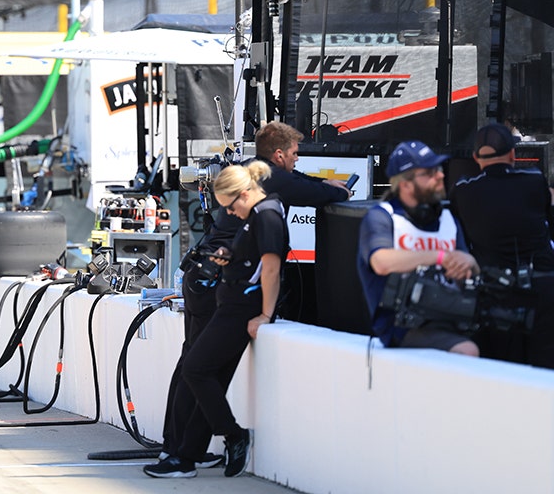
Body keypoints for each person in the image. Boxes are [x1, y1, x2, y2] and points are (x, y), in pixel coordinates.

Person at [156, 121, 349, 470]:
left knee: (204, 369)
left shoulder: (256, 174)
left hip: (209, 280)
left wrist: (321, 184)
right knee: (196, 367)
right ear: (278, 154)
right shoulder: (266, 182)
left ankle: (187, 449)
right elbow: (311, 192)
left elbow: (302, 183)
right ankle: (178, 448)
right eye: (293, 154)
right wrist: (337, 191)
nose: (296, 160)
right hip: (214, 285)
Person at [146, 161, 286, 479]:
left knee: (195, 369)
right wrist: (229, 257)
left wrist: (265, 313)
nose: (231, 214)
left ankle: (232, 435)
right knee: (208, 375)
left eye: (231, 206)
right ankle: (187, 455)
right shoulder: (255, 214)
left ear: (246, 192)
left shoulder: (266, 214)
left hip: (241, 307)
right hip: (231, 301)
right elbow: (253, 259)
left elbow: (272, 268)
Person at [356, 140, 480, 356]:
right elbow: (381, 262)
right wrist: (437, 256)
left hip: (449, 315)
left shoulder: (447, 218)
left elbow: (467, 268)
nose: (440, 175)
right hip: (402, 326)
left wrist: (470, 263)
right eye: (429, 173)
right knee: (467, 351)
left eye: (439, 169)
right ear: (405, 184)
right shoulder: (382, 217)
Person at [451, 123, 554, 369]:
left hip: (496, 296)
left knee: (503, 373)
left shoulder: (463, 189)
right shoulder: (533, 179)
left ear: (476, 157)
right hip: (543, 289)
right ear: (512, 155)